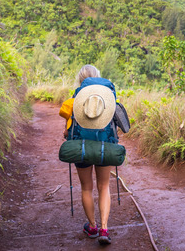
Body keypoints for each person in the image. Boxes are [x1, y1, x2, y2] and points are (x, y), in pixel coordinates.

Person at [59, 64, 118, 245]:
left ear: (80, 81)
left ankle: (92, 227)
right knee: (104, 186)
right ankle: (104, 229)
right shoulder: (108, 98)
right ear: (98, 78)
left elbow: (66, 128)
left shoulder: (74, 100)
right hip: (104, 147)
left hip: (81, 148)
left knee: (86, 187)